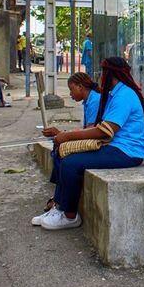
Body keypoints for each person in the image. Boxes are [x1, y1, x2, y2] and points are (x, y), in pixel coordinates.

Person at [35, 57, 144, 230]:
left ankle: (69, 216)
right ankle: (58, 207)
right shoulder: (117, 93)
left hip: (128, 151)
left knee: (70, 164)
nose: (100, 78)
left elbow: (105, 130)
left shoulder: (124, 95)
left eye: (103, 73)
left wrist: (67, 136)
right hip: (116, 146)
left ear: (110, 74)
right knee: (65, 156)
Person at [33, 73, 102, 224]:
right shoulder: (89, 101)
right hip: (92, 139)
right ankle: (57, 202)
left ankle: (60, 204)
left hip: (99, 142)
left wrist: (62, 134)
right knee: (58, 150)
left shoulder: (95, 101)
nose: (70, 94)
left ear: (80, 87)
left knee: (63, 155)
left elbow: (91, 130)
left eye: (71, 90)